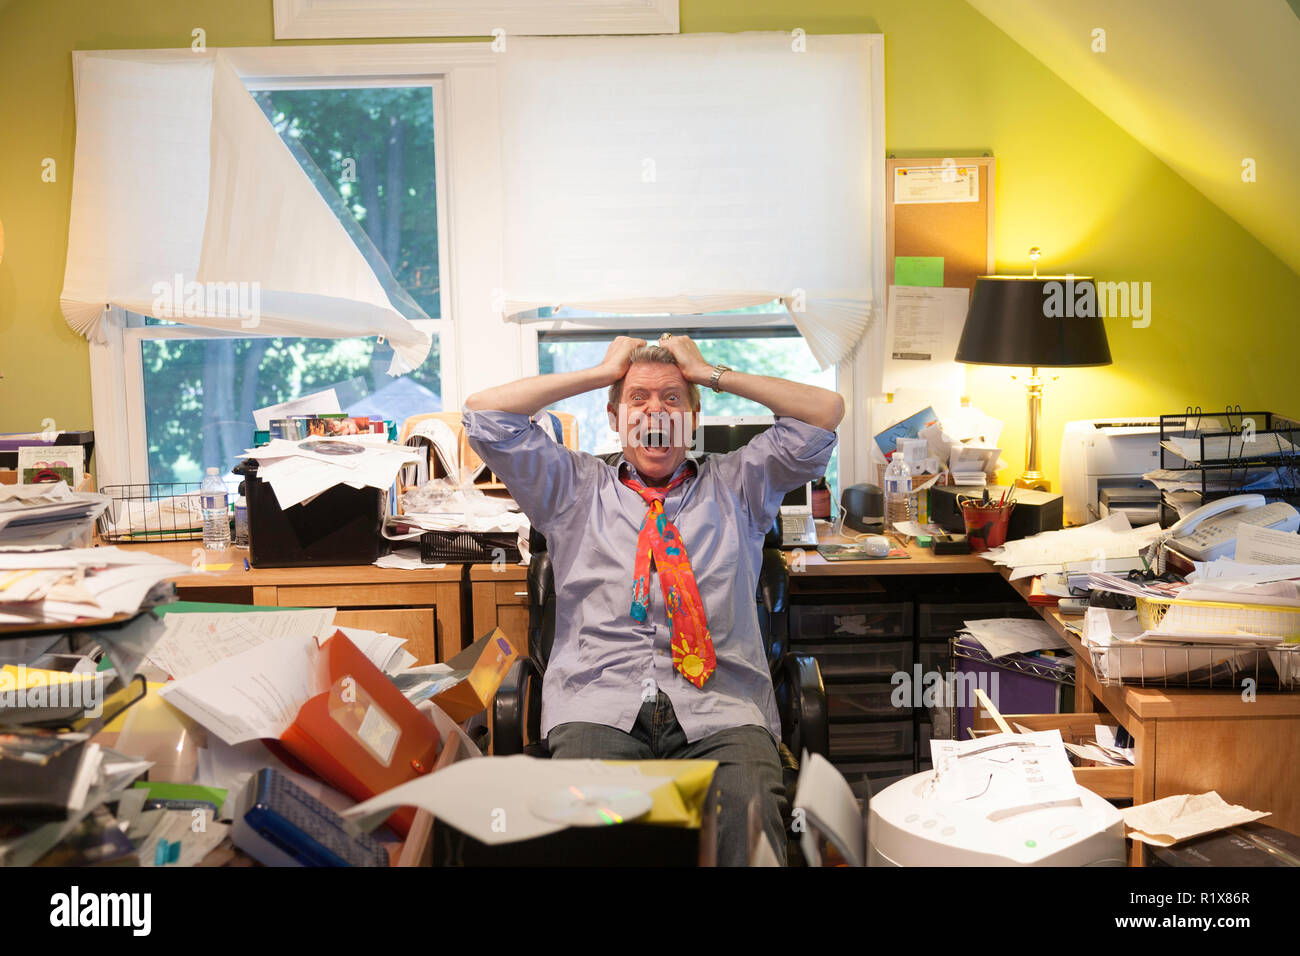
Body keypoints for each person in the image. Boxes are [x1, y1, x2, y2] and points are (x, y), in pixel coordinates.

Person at [463, 333, 844, 865]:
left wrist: (708, 371)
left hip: (722, 706)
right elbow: (485, 414)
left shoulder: (741, 485)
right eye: (638, 399)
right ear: (615, 417)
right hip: (599, 701)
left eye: (671, 398)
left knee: (750, 816)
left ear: (693, 415)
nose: (654, 412)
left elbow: (825, 411)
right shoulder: (571, 487)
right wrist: (604, 373)